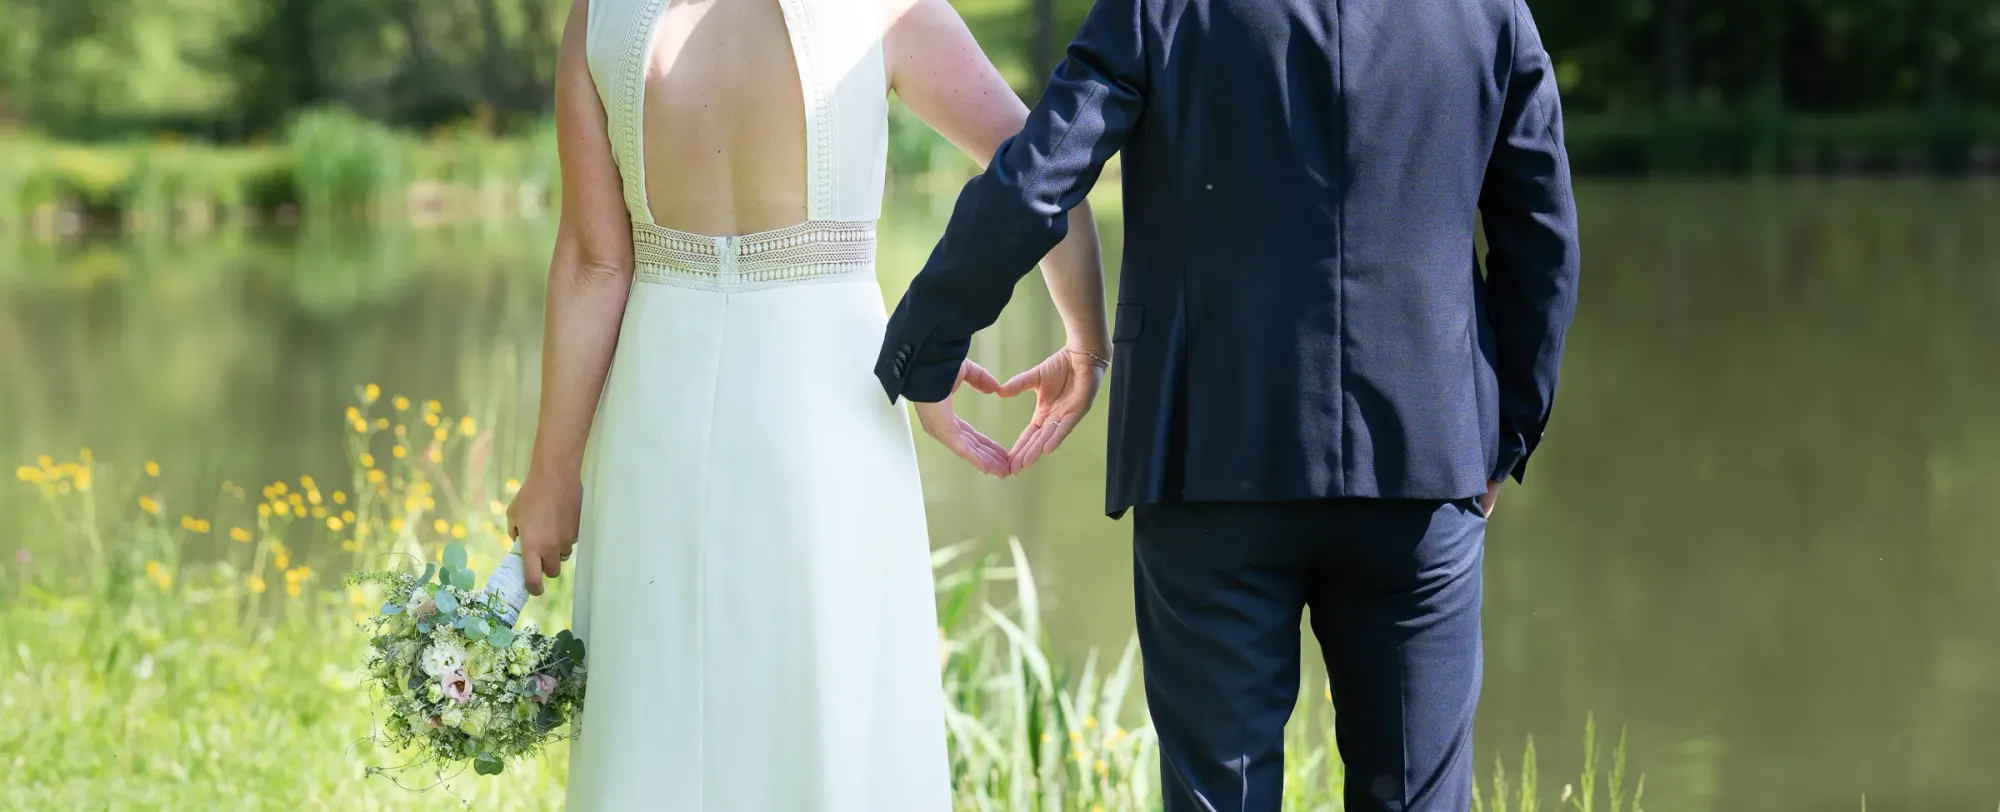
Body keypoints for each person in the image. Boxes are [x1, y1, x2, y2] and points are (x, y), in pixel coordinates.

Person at [876, 0, 1581, 807]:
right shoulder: (1487, 11)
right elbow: (1543, 236)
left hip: (1206, 457)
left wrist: (927, 346)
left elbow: (1040, 170)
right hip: (1422, 463)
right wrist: (1506, 433)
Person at [501, 0, 1107, 807]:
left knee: (659, 699)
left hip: (659, 399)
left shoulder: (600, 17)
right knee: (828, 709)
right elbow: (1044, 168)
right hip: (826, 397)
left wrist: (552, 472)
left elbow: (592, 261)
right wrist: (1085, 342)